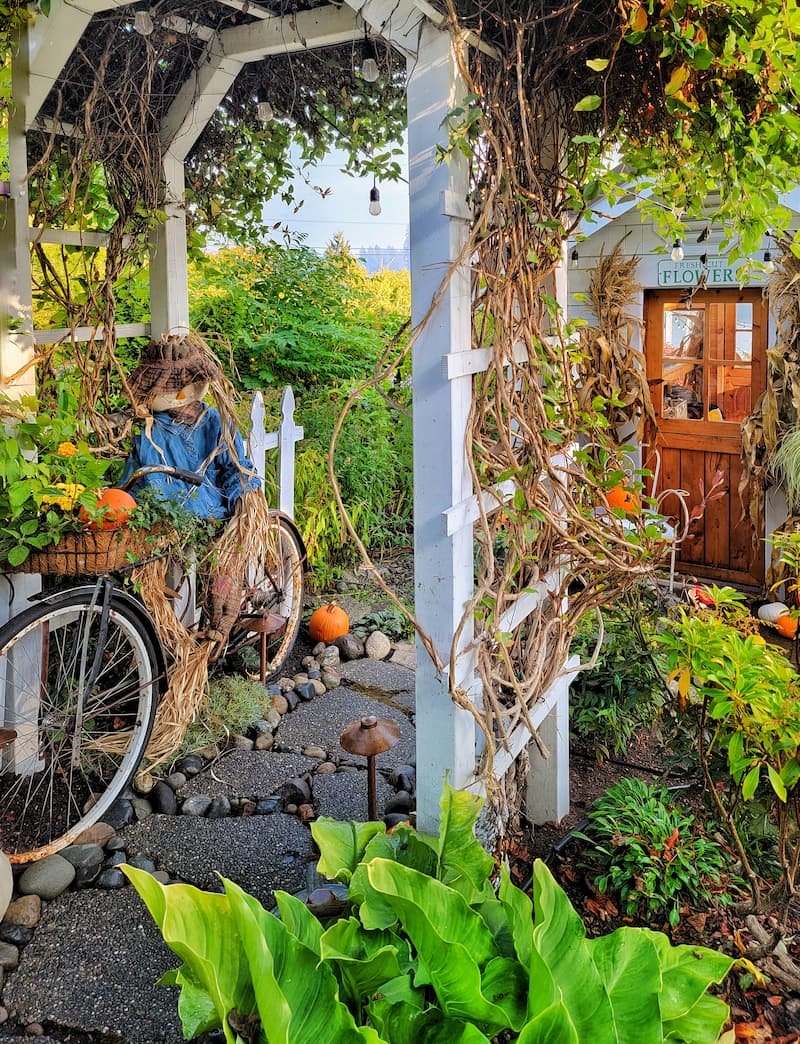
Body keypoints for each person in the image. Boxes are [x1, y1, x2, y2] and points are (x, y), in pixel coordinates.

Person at [121, 333, 261, 518]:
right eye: (166, 388)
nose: (179, 395)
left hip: (213, 518)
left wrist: (244, 504)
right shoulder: (149, 431)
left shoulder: (215, 422)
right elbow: (132, 484)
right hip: (163, 524)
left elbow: (235, 469)